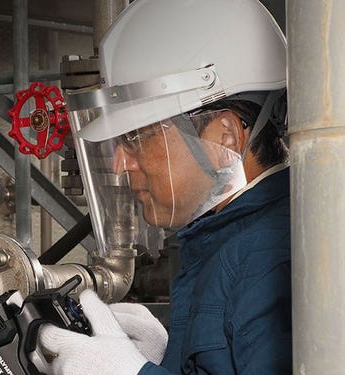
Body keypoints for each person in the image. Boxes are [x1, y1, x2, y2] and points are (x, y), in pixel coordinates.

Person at [40, 0, 291, 373]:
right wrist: (162, 358)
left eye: (137, 137)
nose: (120, 163)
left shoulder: (270, 261)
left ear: (224, 137)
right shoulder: (225, 241)